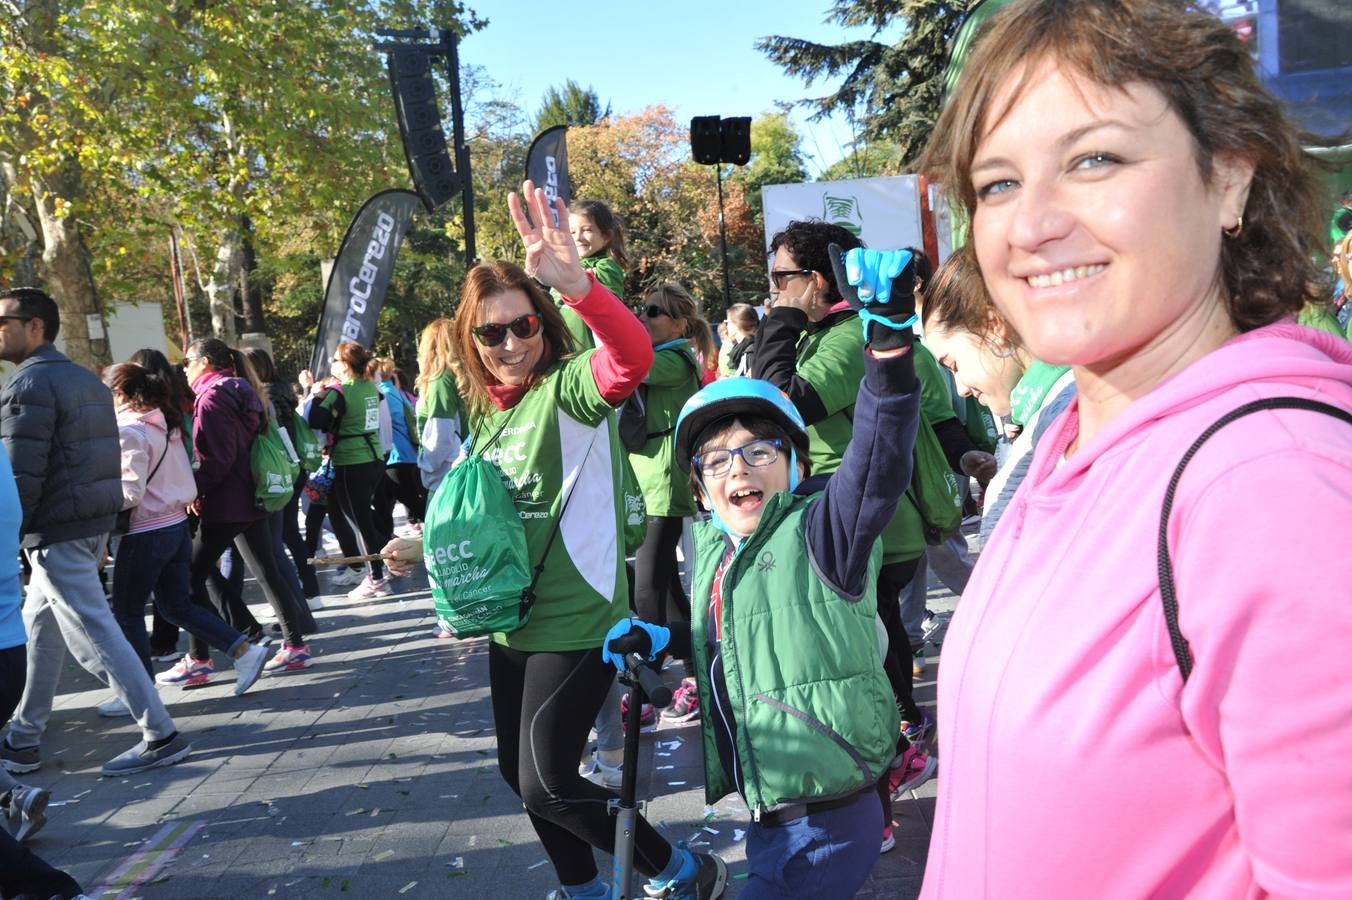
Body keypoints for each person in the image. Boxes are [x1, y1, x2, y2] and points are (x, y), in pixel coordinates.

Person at [914, 1, 1352, 895]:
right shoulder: (1075, 443)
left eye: (1094, 160)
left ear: (1228, 177)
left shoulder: (1269, 484)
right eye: (997, 183)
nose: (1032, 224)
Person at [387, 182, 725, 899]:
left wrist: (578, 289)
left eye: (524, 326)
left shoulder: (569, 391)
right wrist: (422, 549)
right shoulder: (485, 418)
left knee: (547, 783)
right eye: (492, 333)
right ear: (469, 341)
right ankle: (585, 891)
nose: (511, 344)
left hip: (579, 625)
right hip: (512, 622)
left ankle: (682, 871)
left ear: (544, 324)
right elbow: (497, 517)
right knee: (521, 777)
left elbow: (630, 357)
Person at [605, 244, 922, 897]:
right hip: (771, 814)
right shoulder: (718, 551)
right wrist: (666, 642)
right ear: (697, 489)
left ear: (796, 466)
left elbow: (878, 459)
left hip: (829, 819)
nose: (739, 470)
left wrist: (887, 350)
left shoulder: (822, 532)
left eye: (759, 451)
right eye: (717, 461)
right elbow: (741, 646)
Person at [752, 220, 937, 850]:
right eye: (770, 281)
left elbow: (776, 401)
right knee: (866, 655)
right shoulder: (825, 332)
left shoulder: (841, 335)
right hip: (839, 517)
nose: (772, 292)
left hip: (867, 525)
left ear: (818, 281)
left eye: (782, 278)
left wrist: (776, 323)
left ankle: (887, 773)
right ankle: (895, 752)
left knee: (862, 664)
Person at [0, 287, 192, 777]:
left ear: (35, 326)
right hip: (79, 527)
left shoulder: (27, 386)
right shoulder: (86, 381)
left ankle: (159, 732)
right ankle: (23, 736)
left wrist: (13, 536)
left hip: (56, 529)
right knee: (39, 625)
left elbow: (20, 474)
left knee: (96, 628)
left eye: (3, 321)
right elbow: (104, 463)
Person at [104, 362, 268, 699]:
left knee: (128, 612)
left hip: (144, 532)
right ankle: (243, 650)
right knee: (175, 605)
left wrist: (94, 502)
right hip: (175, 526)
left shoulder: (129, 430)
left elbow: (130, 493)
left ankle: (137, 693)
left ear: (119, 392)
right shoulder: (164, 424)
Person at [916, 246, 1076, 550]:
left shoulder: (1070, 415)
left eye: (954, 366)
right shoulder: (1048, 410)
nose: (961, 388)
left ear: (994, 327)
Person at [179, 338, 314, 678]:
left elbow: (217, 458)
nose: (184, 369)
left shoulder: (211, 398)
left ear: (205, 362)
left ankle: (200, 659)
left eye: (187, 362)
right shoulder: (245, 389)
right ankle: (295, 645)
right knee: (267, 569)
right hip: (255, 496)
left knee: (190, 576)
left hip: (226, 502)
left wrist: (195, 489)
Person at [627, 283, 708, 731]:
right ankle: (698, 673)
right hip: (646, 478)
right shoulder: (664, 357)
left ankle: (646, 685)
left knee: (646, 589)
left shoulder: (676, 360)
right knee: (668, 590)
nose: (645, 316)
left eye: (653, 312)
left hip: (664, 480)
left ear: (679, 323)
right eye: (642, 310)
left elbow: (632, 364)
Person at [307, 341, 390, 600]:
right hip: (374, 457)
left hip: (350, 461)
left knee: (358, 522)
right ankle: (385, 564)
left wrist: (317, 392)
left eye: (334, 359)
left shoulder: (339, 391)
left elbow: (313, 419)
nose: (331, 364)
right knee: (365, 517)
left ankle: (376, 578)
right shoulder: (371, 387)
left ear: (344, 364)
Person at [129, 348, 193, 662]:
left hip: (153, 519)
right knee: (179, 598)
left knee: (128, 610)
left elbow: (131, 488)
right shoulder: (171, 413)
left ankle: (142, 683)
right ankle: (241, 644)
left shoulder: (138, 425)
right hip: (177, 512)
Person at [369, 356, 425, 540]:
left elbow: (381, 425)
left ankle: (447, 531)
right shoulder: (396, 392)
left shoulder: (382, 394)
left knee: (408, 501)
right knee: (390, 502)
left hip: (394, 455)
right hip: (406, 454)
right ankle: (388, 540)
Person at [415, 319, 464, 500]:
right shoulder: (461, 376)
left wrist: (425, 464)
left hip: (446, 477)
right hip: (462, 471)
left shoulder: (441, 381)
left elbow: (441, 436)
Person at [720, 303, 759, 377]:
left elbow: (751, 384)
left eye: (727, 322)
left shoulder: (750, 351)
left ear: (736, 325)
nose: (726, 326)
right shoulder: (745, 347)